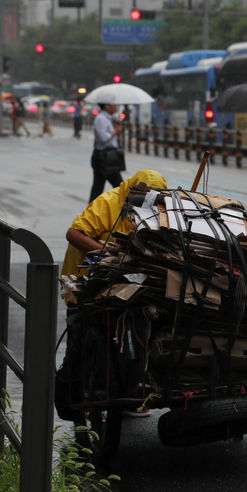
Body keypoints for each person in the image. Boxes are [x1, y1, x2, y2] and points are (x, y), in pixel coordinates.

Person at [61, 170, 167, 418]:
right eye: (140, 195)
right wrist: (104, 249)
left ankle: (126, 390)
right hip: (82, 277)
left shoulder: (156, 207)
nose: (145, 201)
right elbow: (73, 233)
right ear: (131, 188)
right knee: (79, 335)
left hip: (119, 279)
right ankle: (74, 394)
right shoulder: (109, 202)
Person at [89, 102, 124, 203]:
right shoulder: (101, 119)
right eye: (113, 103)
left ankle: (90, 213)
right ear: (106, 106)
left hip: (109, 156)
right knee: (120, 186)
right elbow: (103, 138)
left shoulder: (109, 118)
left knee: (98, 188)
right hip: (104, 157)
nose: (116, 105)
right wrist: (116, 131)